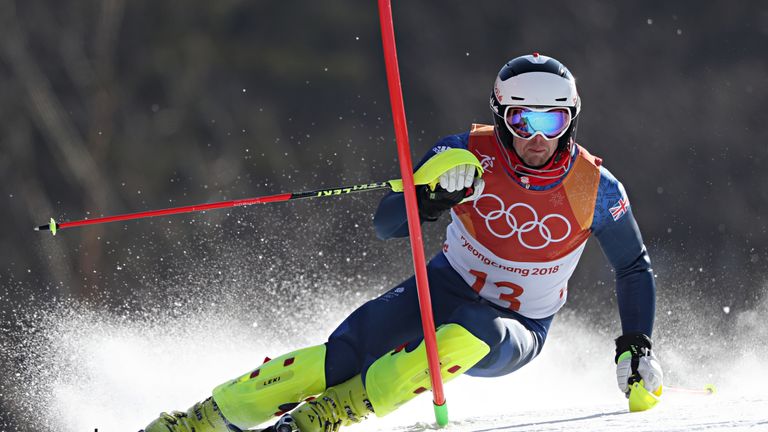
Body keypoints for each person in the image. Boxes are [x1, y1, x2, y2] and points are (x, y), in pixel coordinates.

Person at [141, 53, 663, 432]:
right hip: (440, 288)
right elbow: (387, 224)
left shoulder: (596, 188)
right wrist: (429, 197)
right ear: (502, 116)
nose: (538, 138)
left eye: (553, 120)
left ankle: (328, 416)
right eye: (522, 119)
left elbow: (632, 266)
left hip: (517, 325)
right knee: (340, 358)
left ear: (571, 119)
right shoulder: (463, 153)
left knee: (469, 333)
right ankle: (199, 421)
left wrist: (635, 345)